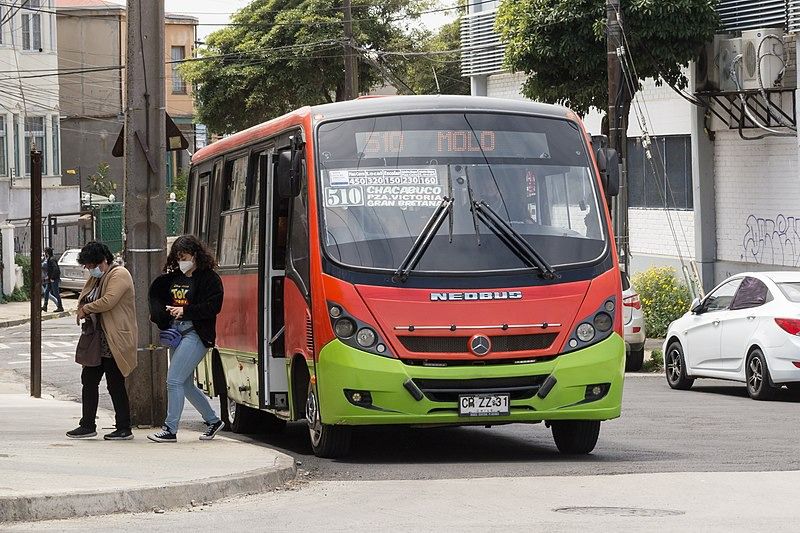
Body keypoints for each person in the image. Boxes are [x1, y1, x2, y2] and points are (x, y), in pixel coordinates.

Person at [148, 235, 225, 442]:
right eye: (178, 257)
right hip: (176, 333)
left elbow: (213, 306)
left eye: (184, 257)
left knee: (173, 380)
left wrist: (185, 311)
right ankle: (213, 420)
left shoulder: (209, 278)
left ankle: (170, 429)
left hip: (196, 334)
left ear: (196, 255)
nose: (181, 261)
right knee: (186, 384)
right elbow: (160, 297)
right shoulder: (174, 278)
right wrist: (160, 313)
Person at [66, 241, 137, 440]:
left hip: (114, 339)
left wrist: (86, 309)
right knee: (88, 380)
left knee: (115, 383)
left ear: (103, 260)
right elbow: (85, 297)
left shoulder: (119, 274)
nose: (90, 269)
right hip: (97, 339)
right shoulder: (96, 278)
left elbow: (109, 301)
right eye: (87, 266)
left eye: (91, 265)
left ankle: (124, 427)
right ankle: (87, 425)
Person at [42, 248, 64, 312]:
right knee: (46, 292)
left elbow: (56, 269)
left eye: (45, 252)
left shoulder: (52, 260)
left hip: (54, 279)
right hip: (50, 279)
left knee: (56, 293)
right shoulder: (49, 259)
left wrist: (52, 278)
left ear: (47, 253)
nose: (45, 253)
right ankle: (45, 306)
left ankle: (60, 307)